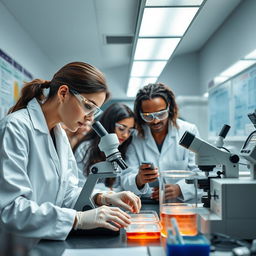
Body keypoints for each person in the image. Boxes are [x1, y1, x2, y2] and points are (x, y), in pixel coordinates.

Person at [0, 62, 141, 240]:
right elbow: (9, 209)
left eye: (94, 111)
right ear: (63, 93)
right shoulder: (15, 127)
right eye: (88, 106)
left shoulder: (59, 133)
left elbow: (66, 192)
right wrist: (77, 218)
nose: (90, 118)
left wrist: (102, 197)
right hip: (14, 244)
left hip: (45, 242)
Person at [121, 83, 202, 202]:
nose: (155, 121)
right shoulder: (135, 136)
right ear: (140, 114)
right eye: (148, 116)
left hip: (181, 205)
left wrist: (179, 189)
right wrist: (139, 180)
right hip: (145, 203)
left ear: (170, 108)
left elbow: (200, 172)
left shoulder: (189, 131)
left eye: (161, 114)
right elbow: (126, 177)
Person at [74, 102, 135, 189]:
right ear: (108, 124)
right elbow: (78, 185)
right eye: (121, 128)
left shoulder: (123, 149)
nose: (125, 135)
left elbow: (121, 184)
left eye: (130, 131)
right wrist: (107, 192)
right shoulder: (85, 149)